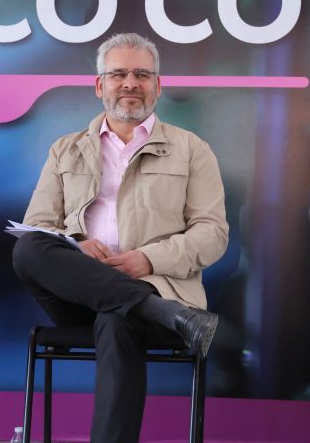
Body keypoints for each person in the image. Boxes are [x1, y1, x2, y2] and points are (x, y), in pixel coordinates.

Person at [12, 33, 228, 443]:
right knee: (28, 248)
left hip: (161, 287)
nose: (130, 83)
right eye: (118, 74)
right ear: (100, 85)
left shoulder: (191, 149)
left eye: (142, 74)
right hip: (81, 294)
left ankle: (147, 306)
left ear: (158, 85)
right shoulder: (65, 149)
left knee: (117, 317)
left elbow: (213, 234)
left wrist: (147, 260)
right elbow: (38, 223)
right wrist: (76, 245)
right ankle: (159, 311)